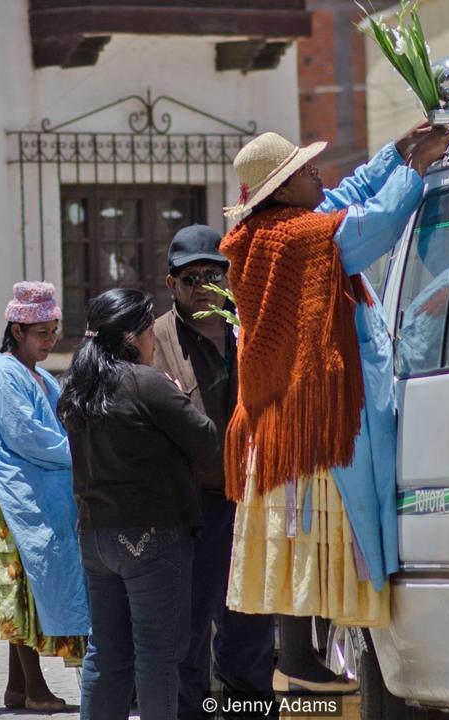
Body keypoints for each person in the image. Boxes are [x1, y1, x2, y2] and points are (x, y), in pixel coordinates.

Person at [219, 125, 449, 693]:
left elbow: (344, 199)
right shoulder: (300, 239)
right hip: (313, 421)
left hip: (282, 419)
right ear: (282, 190)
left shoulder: (268, 231)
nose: (318, 175)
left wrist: (396, 153)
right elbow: (371, 226)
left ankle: (303, 657)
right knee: (317, 532)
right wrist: (416, 172)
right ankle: (300, 658)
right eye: (305, 171)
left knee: (300, 539)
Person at [57, 288, 222, 720]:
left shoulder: (76, 386)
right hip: (153, 537)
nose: (155, 340)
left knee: (106, 655)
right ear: (132, 336)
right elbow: (206, 440)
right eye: (150, 331)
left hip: (96, 538)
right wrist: (176, 392)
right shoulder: (146, 383)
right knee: (158, 655)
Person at [149, 226, 278, 717]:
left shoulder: (250, 331)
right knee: (189, 629)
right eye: (191, 276)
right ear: (171, 283)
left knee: (250, 624)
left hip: (250, 500)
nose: (203, 283)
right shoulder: (155, 340)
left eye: (213, 273)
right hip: (188, 507)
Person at [0, 281, 88, 714]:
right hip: (6, 502)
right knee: (23, 591)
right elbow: (30, 437)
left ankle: (17, 687)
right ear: (17, 330)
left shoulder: (39, 375)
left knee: (27, 590)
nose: (50, 341)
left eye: (53, 331)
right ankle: (35, 689)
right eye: (42, 333)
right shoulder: (2, 373)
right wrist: (83, 453)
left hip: (28, 498)